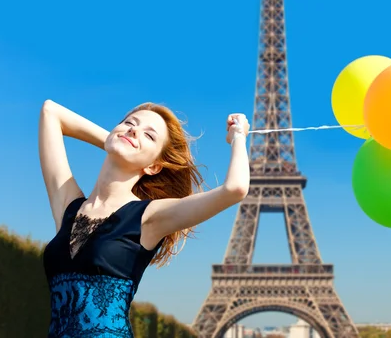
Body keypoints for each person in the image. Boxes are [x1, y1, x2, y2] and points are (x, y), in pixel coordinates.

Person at [40, 100, 250, 338]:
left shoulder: (149, 216)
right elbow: (51, 112)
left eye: (149, 135)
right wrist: (118, 142)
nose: (134, 130)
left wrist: (239, 136)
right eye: (129, 123)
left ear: (154, 167)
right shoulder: (68, 205)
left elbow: (235, 189)